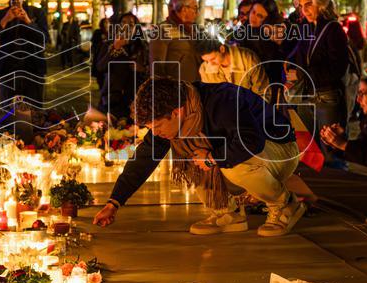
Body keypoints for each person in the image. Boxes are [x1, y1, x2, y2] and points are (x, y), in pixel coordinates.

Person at [92, 77, 305, 237]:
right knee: (193, 157)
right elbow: (144, 158)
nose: (155, 133)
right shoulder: (172, 121)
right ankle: (226, 213)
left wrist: (212, 158)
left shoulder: (221, 101)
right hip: (248, 153)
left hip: (279, 150)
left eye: (156, 126)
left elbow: (251, 141)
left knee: (225, 162)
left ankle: (284, 204)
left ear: (176, 112)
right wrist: (114, 202)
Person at [287, 0, 352, 133]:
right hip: (308, 96)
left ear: (321, 2)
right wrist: (289, 64)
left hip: (327, 97)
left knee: (330, 147)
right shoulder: (309, 28)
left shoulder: (333, 29)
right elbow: (299, 56)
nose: (305, 10)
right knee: (312, 152)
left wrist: (302, 74)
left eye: (308, 4)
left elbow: (337, 69)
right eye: (302, 6)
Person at [0, 0, 51, 110]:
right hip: (7, 71)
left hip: (33, 70)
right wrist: (5, 21)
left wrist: (28, 21)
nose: (15, 0)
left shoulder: (37, 13)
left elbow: (45, 39)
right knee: (8, 114)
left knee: (35, 113)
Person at [97, 12, 148, 120]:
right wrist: (115, 48)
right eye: (123, 23)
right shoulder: (109, 44)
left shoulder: (142, 46)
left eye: (131, 23)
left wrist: (142, 69)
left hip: (135, 98)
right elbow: (100, 67)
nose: (127, 26)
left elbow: (150, 69)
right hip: (113, 97)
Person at [150, 0, 210, 83]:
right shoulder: (162, 30)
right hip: (176, 88)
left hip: (197, 86)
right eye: (195, 8)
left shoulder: (196, 29)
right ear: (184, 9)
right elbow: (156, 65)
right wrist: (162, 89)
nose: (197, 12)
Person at [199, 42, 270, 99]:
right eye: (206, 61)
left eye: (213, 59)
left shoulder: (248, 59)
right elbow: (211, 99)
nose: (210, 64)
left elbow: (263, 92)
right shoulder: (204, 69)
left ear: (222, 49)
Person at [91, 17, 110, 92]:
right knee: (99, 73)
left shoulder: (110, 32)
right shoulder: (97, 32)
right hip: (99, 55)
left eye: (107, 22)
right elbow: (93, 43)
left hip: (107, 55)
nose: (106, 24)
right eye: (105, 22)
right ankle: (101, 86)